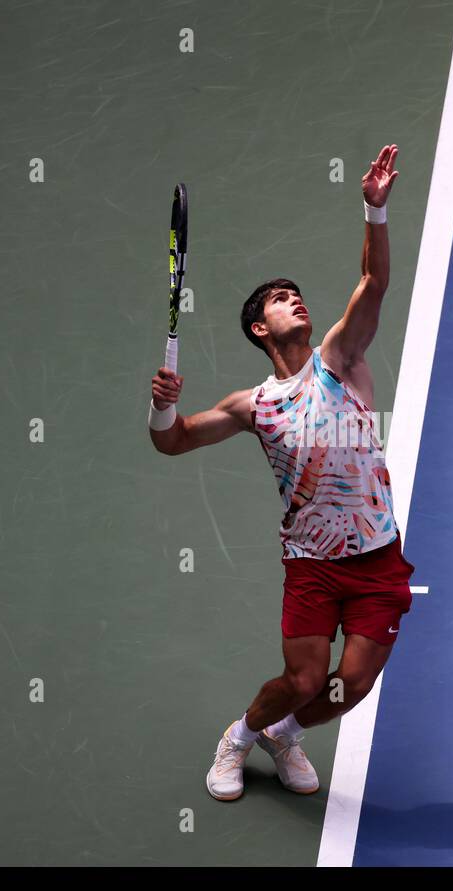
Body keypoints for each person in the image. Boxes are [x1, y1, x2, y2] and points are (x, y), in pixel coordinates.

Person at [148, 145, 416, 800]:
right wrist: (162, 405)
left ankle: (283, 733)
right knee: (302, 677)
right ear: (257, 327)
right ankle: (240, 735)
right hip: (313, 562)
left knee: (348, 685)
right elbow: (174, 442)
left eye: (295, 294)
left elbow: (373, 284)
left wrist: (373, 211)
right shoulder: (254, 404)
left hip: (377, 555)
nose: (293, 300)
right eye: (277, 299)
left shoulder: (340, 358)